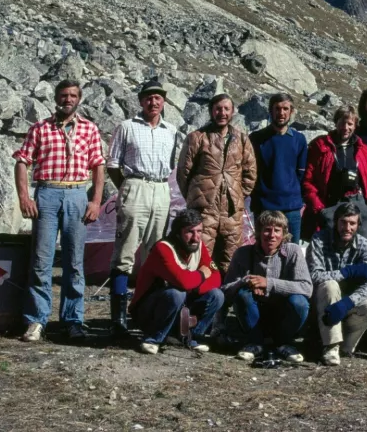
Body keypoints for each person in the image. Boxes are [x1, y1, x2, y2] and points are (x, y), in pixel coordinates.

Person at [14, 79, 105, 342]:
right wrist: (24, 197)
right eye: (64, 95)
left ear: (79, 99)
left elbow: (98, 165)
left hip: (77, 193)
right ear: (56, 98)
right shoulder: (40, 128)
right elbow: (22, 161)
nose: (68, 99)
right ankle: (36, 321)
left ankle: (73, 321)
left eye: (73, 95)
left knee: (74, 263)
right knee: (41, 261)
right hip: (47, 193)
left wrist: (96, 201)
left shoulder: (89, 129)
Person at [105, 77, 178, 337]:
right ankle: (118, 319)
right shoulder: (126, 127)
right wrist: (127, 187)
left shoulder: (171, 130)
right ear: (141, 101)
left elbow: (171, 165)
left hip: (160, 188)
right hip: (135, 184)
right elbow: (112, 164)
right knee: (125, 253)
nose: (153, 101)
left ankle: (145, 311)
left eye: (158, 97)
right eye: (148, 97)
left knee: (156, 252)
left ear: (164, 101)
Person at [177, 93, 257, 272]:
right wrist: (196, 196)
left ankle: (226, 297)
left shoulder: (242, 139)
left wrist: (237, 194)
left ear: (233, 112)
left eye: (226, 109)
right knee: (200, 256)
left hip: (231, 211)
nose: (222, 113)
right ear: (211, 111)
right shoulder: (197, 138)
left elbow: (250, 173)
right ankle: (199, 296)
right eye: (218, 109)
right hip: (204, 209)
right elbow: (184, 173)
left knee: (231, 258)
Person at [129, 208, 225, 355]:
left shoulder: (198, 246)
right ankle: (153, 338)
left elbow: (216, 277)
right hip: (148, 310)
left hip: (180, 305)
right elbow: (183, 282)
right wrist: (199, 275)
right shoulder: (163, 249)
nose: (195, 237)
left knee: (217, 295)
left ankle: (192, 337)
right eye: (190, 232)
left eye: (199, 231)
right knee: (176, 293)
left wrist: (193, 286)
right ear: (178, 233)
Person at [222, 210, 312, 364]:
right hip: (255, 312)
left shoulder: (293, 251)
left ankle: (283, 343)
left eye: (277, 230)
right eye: (267, 230)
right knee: (242, 295)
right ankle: (255, 343)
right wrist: (247, 281)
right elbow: (225, 289)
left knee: (300, 302)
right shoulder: (243, 253)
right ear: (259, 231)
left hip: (283, 313)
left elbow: (306, 288)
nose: (272, 235)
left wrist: (269, 283)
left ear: (284, 233)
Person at [307, 202, 367, 366]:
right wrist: (346, 272)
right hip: (322, 301)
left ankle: (345, 346)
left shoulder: (363, 244)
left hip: (348, 301)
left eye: (352, 223)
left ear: (358, 224)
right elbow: (314, 275)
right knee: (330, 285)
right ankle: (331, 346)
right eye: (343, 222)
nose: (347, 228)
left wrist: (347, 302)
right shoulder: (319, 240)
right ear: (336, 222)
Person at [302, 105, 367, 246]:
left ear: (355, 126)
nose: (345, 127)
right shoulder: (320, 146)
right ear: (336, 123)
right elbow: (308, 181)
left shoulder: (364, 150)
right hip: (330, 203)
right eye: (342, 123)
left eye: (350, 124)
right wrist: (319, 208)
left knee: (362, 246)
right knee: (331, 248)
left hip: (357, 202)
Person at [250, 93, 308, 243]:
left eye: (285, 109)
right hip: (264, 206)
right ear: (271, 111)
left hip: (291, 207)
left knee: (292, 253)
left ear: (291, 111)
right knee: (264, 253)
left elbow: (301, 174)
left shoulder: (299, 140)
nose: (281, 113)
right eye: (277, 109)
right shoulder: (256, 138)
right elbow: (250, 172)